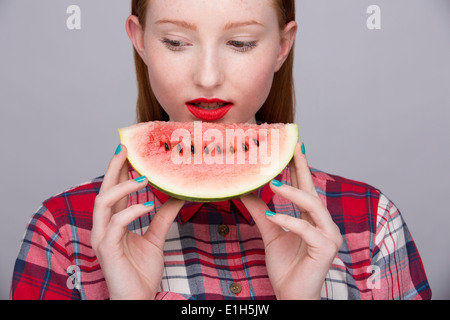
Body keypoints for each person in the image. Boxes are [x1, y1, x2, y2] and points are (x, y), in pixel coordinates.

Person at [10, 0, 431, 300]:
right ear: (139, 40)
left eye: (242, 43)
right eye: (175, 41)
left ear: (283, 47)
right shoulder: (63, 233)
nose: (208, 77)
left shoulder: (371, 223)